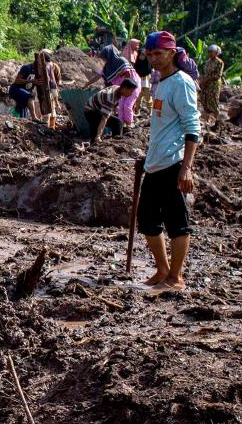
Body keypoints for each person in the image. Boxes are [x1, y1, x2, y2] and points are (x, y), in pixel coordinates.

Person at [137, 31, 201, 293]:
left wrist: (186, 168)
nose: (153, 59)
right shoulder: (161, 82)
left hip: (173, 164)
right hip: (156, 163)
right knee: (147, 220)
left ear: (172, 53)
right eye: (150, 54)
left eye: (158, 54)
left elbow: (192, 128)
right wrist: (148, 156)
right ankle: (162, 269)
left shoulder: (181, 82)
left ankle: (175, 277)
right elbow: (163, 127)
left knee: (177, 222)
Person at [86, 45, 140, 132]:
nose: (104, 60)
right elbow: (97, 77)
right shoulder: (108, 67)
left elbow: (128, 75)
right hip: (122, 88)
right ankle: (121, 126)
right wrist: (86, 85)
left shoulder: (121, 61)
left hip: (131, 86)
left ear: (109, 55)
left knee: (127, 106)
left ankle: (129, 125)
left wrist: (125, 85)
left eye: (105, 57)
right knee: (120, 106)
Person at [199, 45, 225, 127]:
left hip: (214, 85)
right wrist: (202, 80)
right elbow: (204, 73)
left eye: (211, 52)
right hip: (206, 85)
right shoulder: (207, 62)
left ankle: (217, 122)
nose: (209, 53)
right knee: (205, 101)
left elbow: (218, 75)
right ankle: (207, 121)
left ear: (216, 53)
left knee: (214, 101)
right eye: (209, 52)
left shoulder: (219, 62)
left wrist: (207, 79)